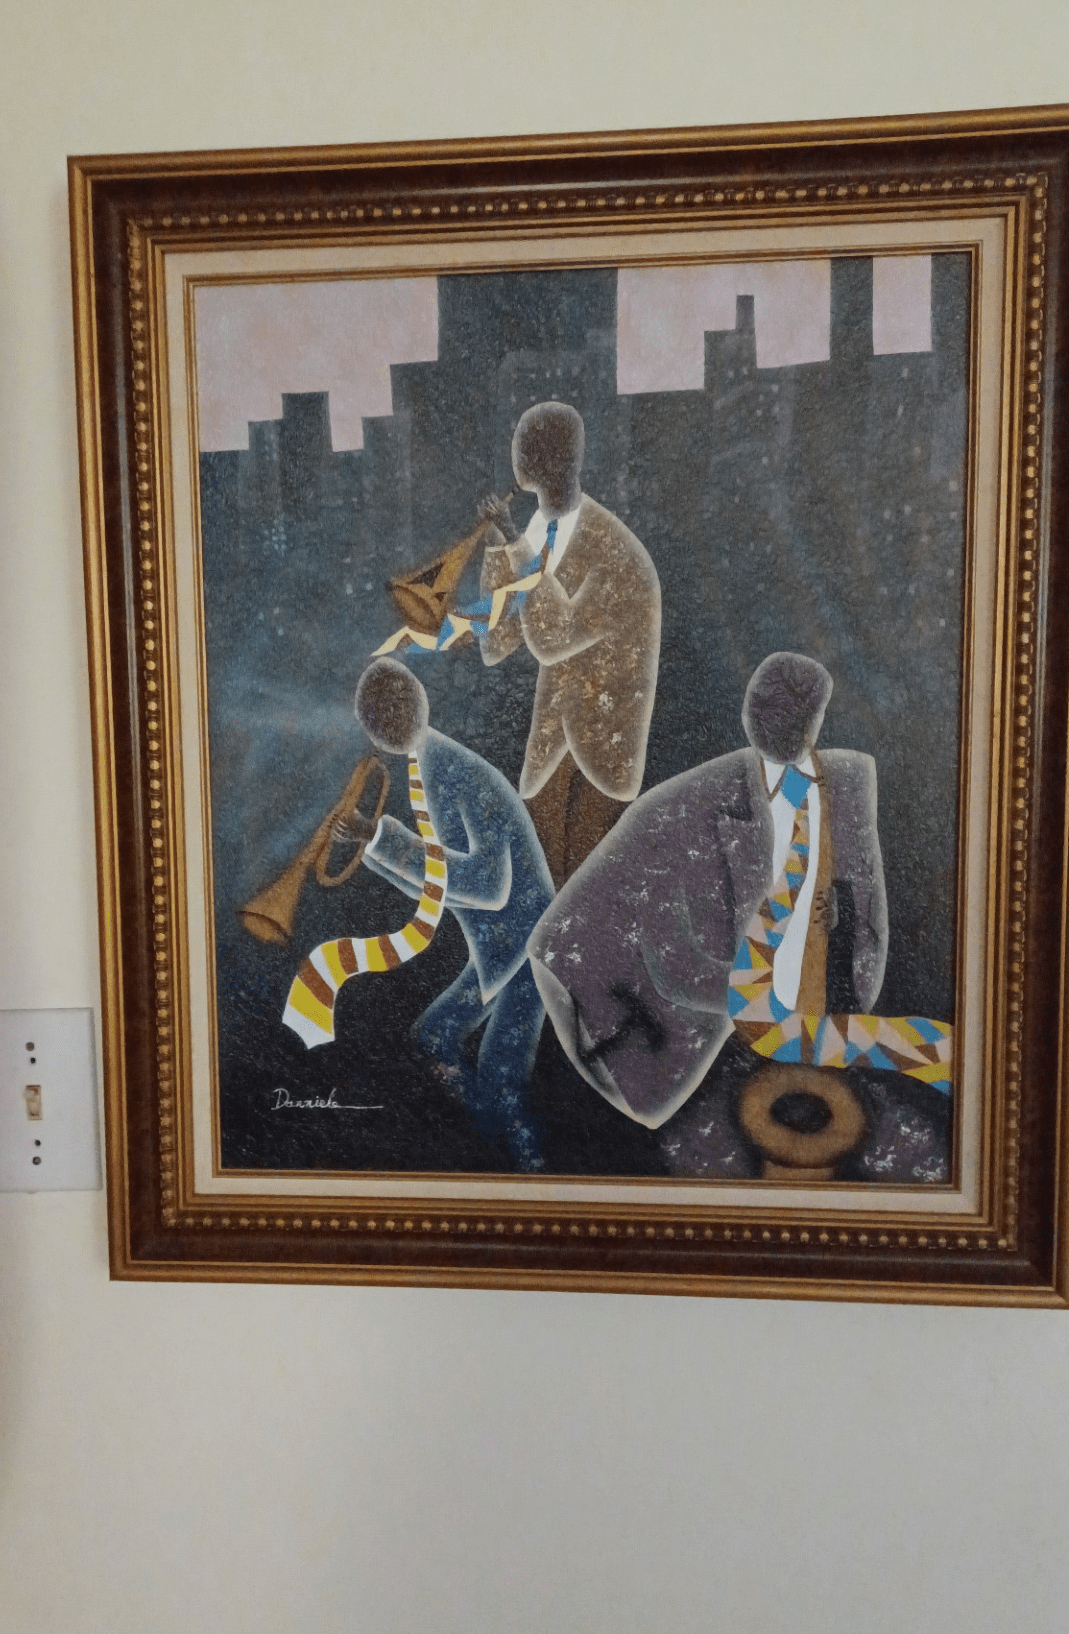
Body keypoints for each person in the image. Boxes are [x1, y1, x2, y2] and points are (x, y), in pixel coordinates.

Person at [526, 652, 889, 1129]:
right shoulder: (681, 809)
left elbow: (866, 919)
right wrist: (770, 1005)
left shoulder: (848, 784)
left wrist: (838, 1004)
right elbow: (672, 963)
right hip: (672, 1023)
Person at [334, 658, 555, 1169]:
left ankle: (522, 1175)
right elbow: (438, 887)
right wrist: (375, 843)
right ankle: (499, 1162)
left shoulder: (450, 771)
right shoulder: (430, 765)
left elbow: (489, 887)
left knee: (496, 1074)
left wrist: (381, 839)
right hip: (505, 945)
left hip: (525, 944)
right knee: (442, 1043)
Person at [477, 401, 660, 889]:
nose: (516, 453)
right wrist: (496, 547)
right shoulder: (536, 532)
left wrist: (512, 539)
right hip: (553, 747)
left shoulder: (615, 551)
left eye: (526, 445)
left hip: (603, 755)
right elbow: (496, 642)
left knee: (582, 896)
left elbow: (552, 639)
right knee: (544, 893)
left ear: (550, 460)